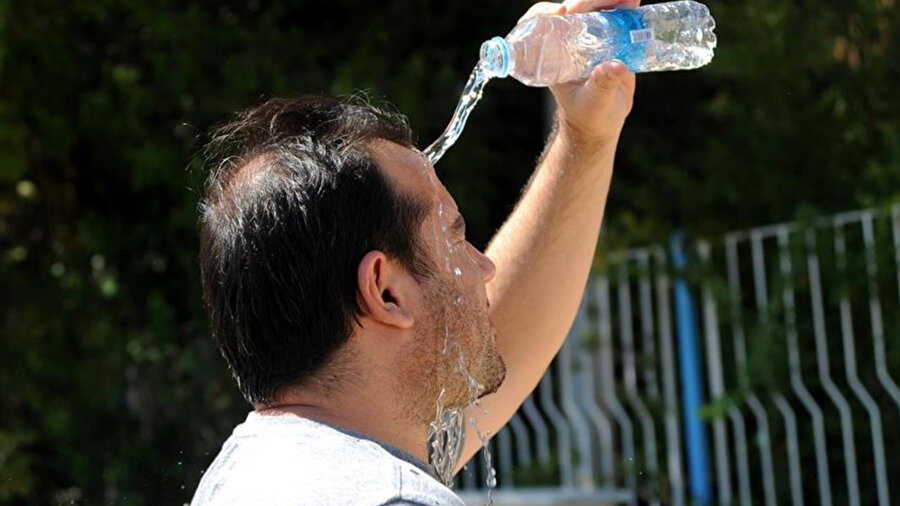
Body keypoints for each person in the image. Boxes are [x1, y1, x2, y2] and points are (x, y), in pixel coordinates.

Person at [191, 0, 638, 503]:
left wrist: (587, 138)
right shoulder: (391, 497)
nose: (484, 266)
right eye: (454, 237)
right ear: (385, 291)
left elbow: (504, 334)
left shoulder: (258, 470)